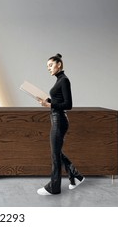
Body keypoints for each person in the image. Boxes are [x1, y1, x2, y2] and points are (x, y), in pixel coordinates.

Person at [36, 53, 85, 195]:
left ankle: (54, 187)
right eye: (47, 67)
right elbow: (59, 102)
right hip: (56, 119)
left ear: (59, 64)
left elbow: (68, 104)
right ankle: (76, 176)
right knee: (56, 152)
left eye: (50, 65)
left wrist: (49, 105)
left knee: (54, 155)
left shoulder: (64, 80)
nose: (48, 68)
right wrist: (48, 102)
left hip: (60, 120)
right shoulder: (59, 80)